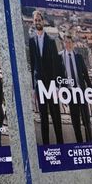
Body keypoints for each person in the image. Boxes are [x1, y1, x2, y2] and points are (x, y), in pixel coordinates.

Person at [28, 10, 64, 145]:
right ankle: (46, 146)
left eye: (39, 20)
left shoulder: (51, 41)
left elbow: (57, 64)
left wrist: (58, 85)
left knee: (55, 115)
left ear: (43, 21)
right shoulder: (32, 41)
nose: (37, 22)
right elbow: (32, 63)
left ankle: (61, 143)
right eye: (35, 20)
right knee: (43, 116)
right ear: (33, 22)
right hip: (39, 84)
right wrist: (33, 87)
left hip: (51, 84)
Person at [58, 32, 92, 143]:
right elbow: (58, 75)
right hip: (69, 93)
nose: (68, 44)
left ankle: (89, 142)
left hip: (81, 92)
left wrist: (91, 90)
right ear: (64, 43)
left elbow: (85, 75)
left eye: (70, 42)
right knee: (75, 120)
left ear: (73, 44)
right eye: (66, 42)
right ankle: (79, 143)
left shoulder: (78, 57)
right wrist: (61, 92)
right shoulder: (60, 57)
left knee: (86, 119)